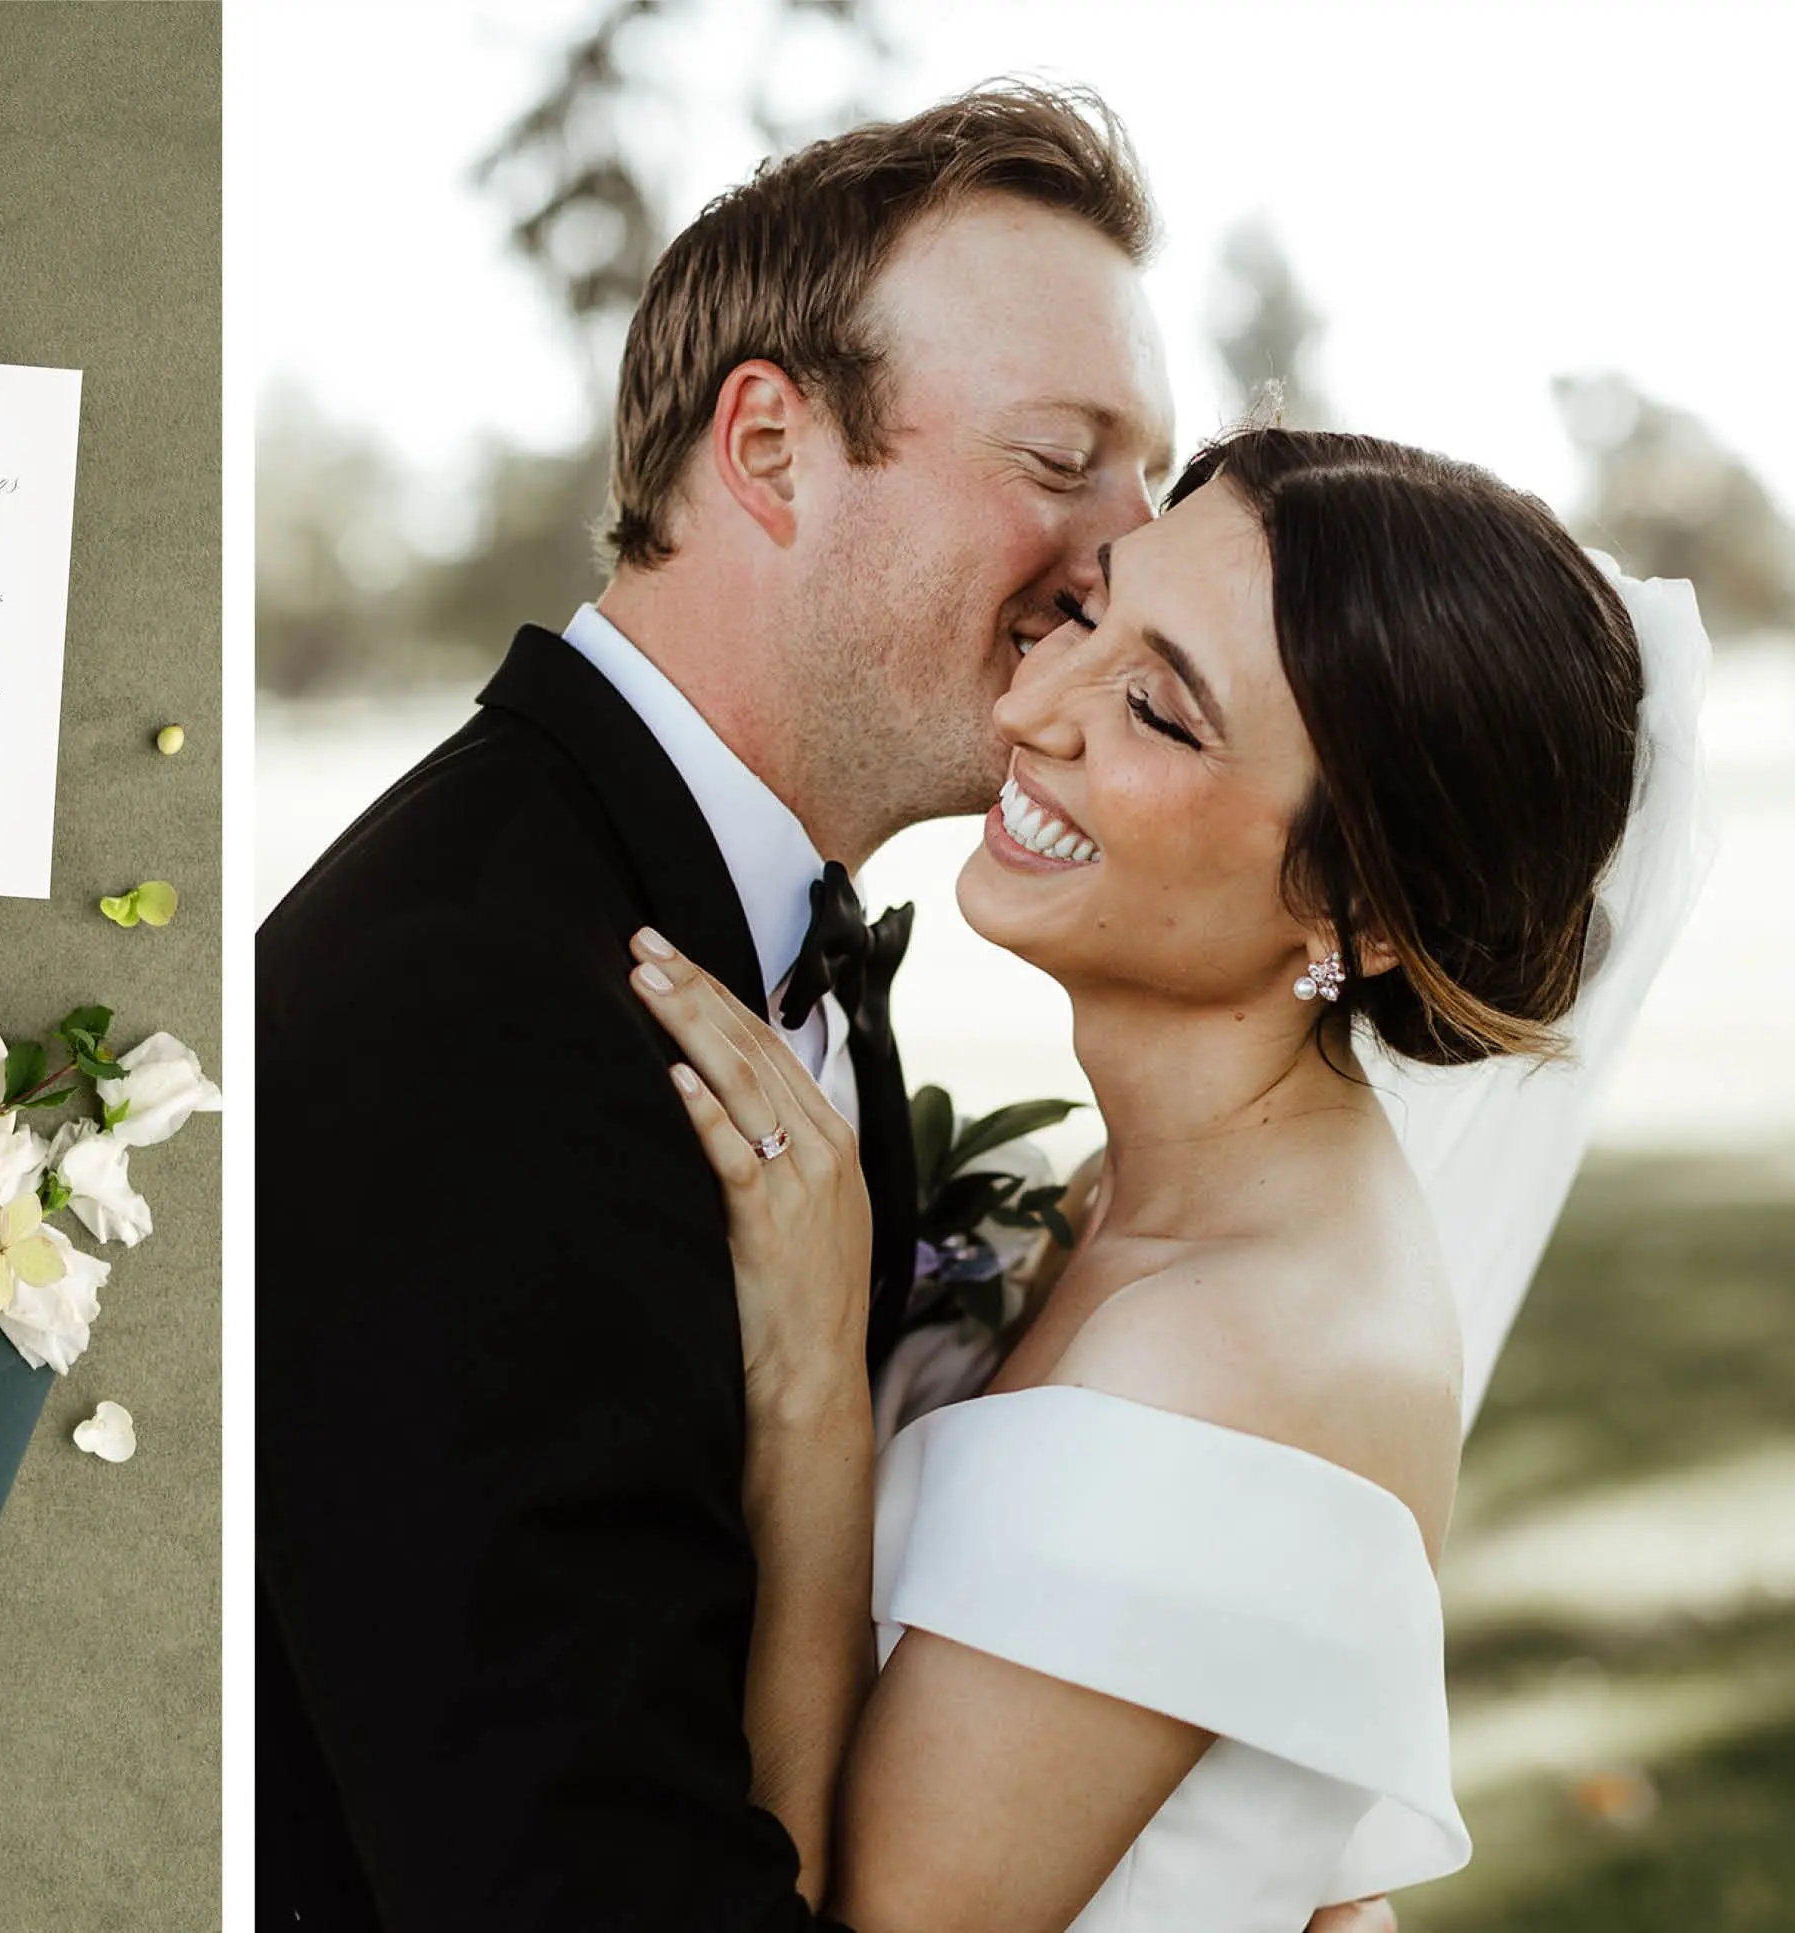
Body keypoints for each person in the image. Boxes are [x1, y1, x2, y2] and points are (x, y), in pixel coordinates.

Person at [260, 83, 1176, 1928]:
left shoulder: (741, 915)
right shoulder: (467, 1019)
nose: (1126, 560)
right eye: (1063, 458)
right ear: (768, 443)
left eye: (1150, 484)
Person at [634, 423, 1665, 1928]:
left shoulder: (1228, 1353)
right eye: (1087, 615)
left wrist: (806, 1385)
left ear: (1363, 909)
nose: (1033, 701)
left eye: (1157, 713)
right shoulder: (1150, 1193)